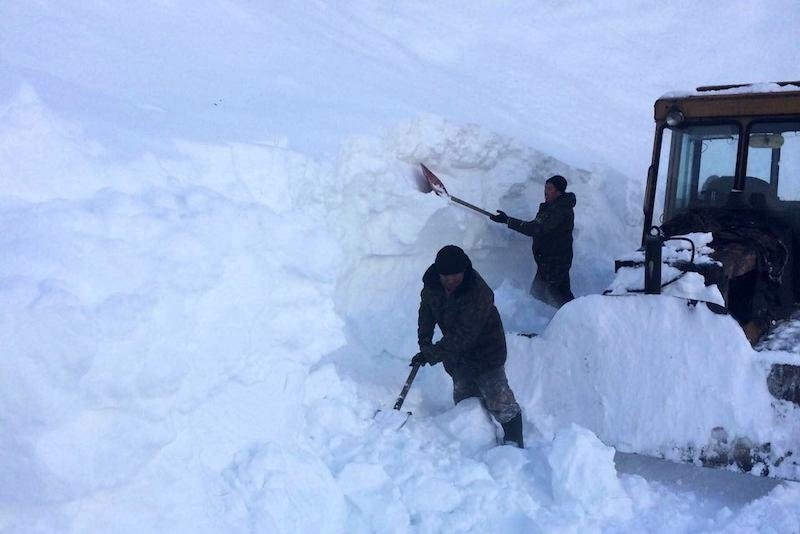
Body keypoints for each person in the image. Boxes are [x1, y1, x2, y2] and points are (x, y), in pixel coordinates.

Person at [412, 245, 523, 448]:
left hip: (487, 351)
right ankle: (477, 443)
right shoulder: (432, 285)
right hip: (457, 356)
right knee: (465, 398)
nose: (451, 280)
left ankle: (514, 444)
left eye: (456, 275)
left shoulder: (479, 293)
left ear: (464, 271)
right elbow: (426, 313)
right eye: (446, 276)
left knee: (499, 399)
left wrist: (432, 354)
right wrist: (424, 343)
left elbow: (464, 335)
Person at [489, 175, 576, 307]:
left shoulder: (559, 211)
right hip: (552, 261)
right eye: (545, 187)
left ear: (559, 192)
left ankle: (567, 319)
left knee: (539, 297)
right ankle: (578, 315)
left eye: (549, 188)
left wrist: (507, 220)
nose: (545, 191)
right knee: (561, 295)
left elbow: (535, 228)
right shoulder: (553, 207)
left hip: (554, 263)